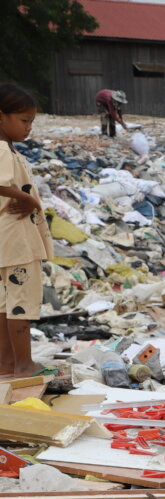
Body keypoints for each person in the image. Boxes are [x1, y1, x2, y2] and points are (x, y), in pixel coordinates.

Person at [0, 84, 53, 378]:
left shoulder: (7, 149)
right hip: (17, 241)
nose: (28, 127)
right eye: (23, 120)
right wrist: (27, 199)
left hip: (6, 241)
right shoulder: (2, 150)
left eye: (31, 121)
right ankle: (23, 365)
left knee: (5, 303)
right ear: (1, 117)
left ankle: (7, 363)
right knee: (22, 301)